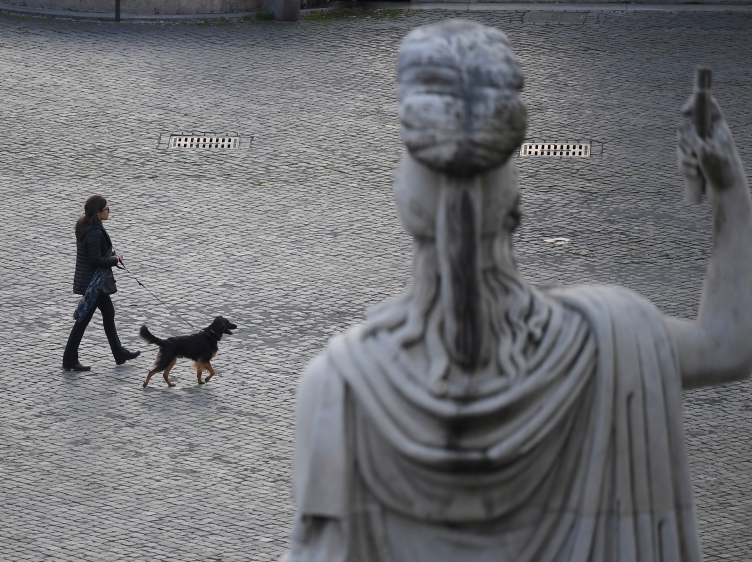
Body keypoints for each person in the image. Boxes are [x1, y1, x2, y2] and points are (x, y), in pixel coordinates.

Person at [283, 20, 752, 562]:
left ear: (407, 205)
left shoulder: (339, 390)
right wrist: (730, 189)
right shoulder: (615, 341)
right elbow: (731, 340)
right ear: (512, 205)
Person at [62, 195, 141, 371]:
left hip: (93, 282)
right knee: (83, 320)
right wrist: (113, 259)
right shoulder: (94, 232)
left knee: (108, 314)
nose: (109, 211)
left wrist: (112, 256)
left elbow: (95, 254)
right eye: (106, 209)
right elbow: (95, 260)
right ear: (98, 213)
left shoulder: (85, 225)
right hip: (94, 284)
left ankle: (119, 353)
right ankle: (69, 360)